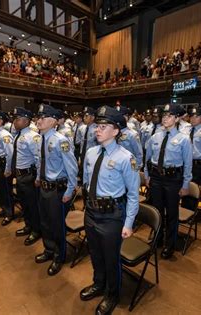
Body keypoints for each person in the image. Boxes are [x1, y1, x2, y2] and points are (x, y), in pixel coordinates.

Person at [80, 106, 140, 315]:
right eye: (97, 125)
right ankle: (99, 284)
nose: (98, 129)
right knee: (95, 254)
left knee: (111, 257)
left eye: (103, 126)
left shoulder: (126, 158)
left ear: (115, 131)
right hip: (91, 212)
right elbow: (87, 182)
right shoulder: (90, 152)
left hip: (112, 216)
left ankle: (112, 294)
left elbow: (133, 194)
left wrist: (129, 223)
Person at [144, 103, 193, 259]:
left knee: (172, 213)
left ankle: (169, 245)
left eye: (169, 116)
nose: (165, 118)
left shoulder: (183, 139)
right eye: (164, 115)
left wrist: (185, 184)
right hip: (156, 178)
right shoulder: (155, 137)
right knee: (157, 210)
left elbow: (188, 164)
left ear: (177, 118)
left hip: (173, 179)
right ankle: (157, 239)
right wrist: (147, 176)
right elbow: (148, 159)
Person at [34, 104, 78, 276]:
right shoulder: (40, 139)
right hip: (44, 187)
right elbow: (40, 162)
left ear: (53, 121)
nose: (39, 120)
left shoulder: (61, 140)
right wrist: (38, 178)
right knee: (44, 221)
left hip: (56, 190)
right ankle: (49, 250)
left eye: (43, 117)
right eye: (38, 117)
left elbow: (72, 168)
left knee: (56, 224)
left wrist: (69, 191)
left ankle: (59, 255)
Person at [11, 107, 42, 245]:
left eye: (17, 119)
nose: (14, 122)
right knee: (24, 203)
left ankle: (36, 230)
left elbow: (38, 159)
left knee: (32, 205)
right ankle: (28, 225)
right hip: (20, 175)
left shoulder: (32, 136)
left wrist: (38, 178)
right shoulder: (18, 135)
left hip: (28, 176)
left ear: (26, 121)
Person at [0, 110, 15, 226]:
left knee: (6, 189)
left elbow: (10, 154)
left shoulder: (5, 135)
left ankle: (9, 213)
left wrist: (8, 169)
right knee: (0, 189)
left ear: (0, 120)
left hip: (3, 165)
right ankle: (4, 209)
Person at [78, 106, 98, 174]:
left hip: (93, 156)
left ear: (92, 117)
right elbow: (82, 143)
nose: (84, 118)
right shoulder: (82, 128)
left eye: (86, 116)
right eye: (84, 116)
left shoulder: (97, 129)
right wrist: (80, 156)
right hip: (83, 155)